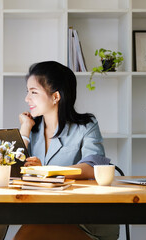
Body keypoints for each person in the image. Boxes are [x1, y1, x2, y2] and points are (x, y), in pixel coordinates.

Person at [16, 61, 119, 240]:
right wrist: (25, 128)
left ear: (55, 96)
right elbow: (14, 167)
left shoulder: (86, 126)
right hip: (47, 216)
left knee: (27, 234)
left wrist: (45, 171)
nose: (27, 99)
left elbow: (93, 167)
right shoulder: (33, 130)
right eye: (27, 91)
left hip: (85, 221)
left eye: (33, 92)